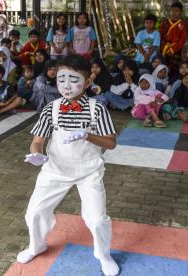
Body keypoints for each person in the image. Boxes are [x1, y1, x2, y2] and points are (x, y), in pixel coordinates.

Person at [18, 54, 119, 276]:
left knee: (97, 219)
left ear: (88, 82)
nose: (66, 85)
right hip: (55, 169)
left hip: (89, 170)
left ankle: (103, 254)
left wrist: (88, 135)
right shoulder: (51, 108)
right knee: (34, 212)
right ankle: (37, 245)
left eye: (73, 80)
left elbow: (111, 143)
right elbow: (37, 141)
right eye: (61, 79)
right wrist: (36, 155)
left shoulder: (97, 109)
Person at [159, 2, 187, 73]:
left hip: (176, 50)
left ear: (180, 12)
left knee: (173, 70)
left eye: (177, 11)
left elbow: (182, 40)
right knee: (161, 68)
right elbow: (160, 36)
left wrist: (172, 50)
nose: (174, 13)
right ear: (170, 11)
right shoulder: (164, 23)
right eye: (172, 10)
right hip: (164, 49)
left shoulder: (182, 25)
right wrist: (162, 47)